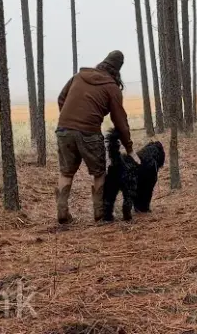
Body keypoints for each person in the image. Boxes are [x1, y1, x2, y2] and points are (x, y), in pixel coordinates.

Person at [55, 50, 139, 224]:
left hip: (64, 129)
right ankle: (99, 213)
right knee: (99, 172)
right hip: (89, 132)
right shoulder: (112, 87)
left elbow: (61, 98)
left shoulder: (78, 76)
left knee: (66, 172)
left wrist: (69, 120)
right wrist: (129, 148)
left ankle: (62, 211)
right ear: (118, 69)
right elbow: (120, 121)